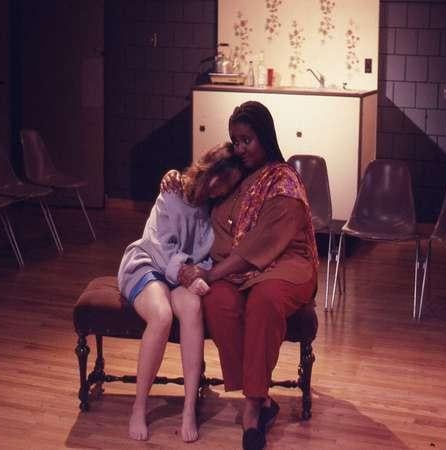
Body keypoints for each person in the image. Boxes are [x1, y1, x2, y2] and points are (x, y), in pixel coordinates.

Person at [178, 101, 318, 450]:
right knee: (219, 301)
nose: (240, 149)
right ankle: (265, 400)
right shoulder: (239, 177)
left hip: (287, 265)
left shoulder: (284, 180)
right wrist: (175, 179)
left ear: (265, 137)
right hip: (238, 269)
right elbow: (205, 188)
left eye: (247, 140)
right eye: (235, 141)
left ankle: (253, 407)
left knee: (264, 300)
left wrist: (212, 273)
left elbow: (264, 242)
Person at [117, 144, 243, 442]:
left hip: (181, 274)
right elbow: (160, 246)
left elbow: (209, 252)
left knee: (192, 309)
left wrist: (197, 273)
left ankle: (189, 408)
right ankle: (139, 406)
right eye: (222, 182)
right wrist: (187, 273)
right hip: (149, 262)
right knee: (160, 315)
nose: (222, 190)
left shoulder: (213, 208)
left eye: (229, 187)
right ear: (211, 173)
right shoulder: (172, 191)